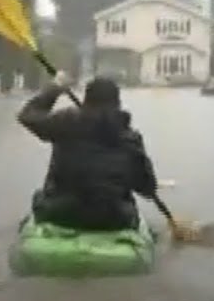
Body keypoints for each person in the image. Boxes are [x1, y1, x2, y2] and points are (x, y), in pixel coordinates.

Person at [17, 71, 159, 231]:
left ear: (86, 99)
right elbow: (147, 188)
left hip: (60, 213)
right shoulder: (130, 137)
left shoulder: (65, 122)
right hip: (114, 218)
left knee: (39, 196)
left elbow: (27, 115)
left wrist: (55, 89)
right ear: (117, 102)